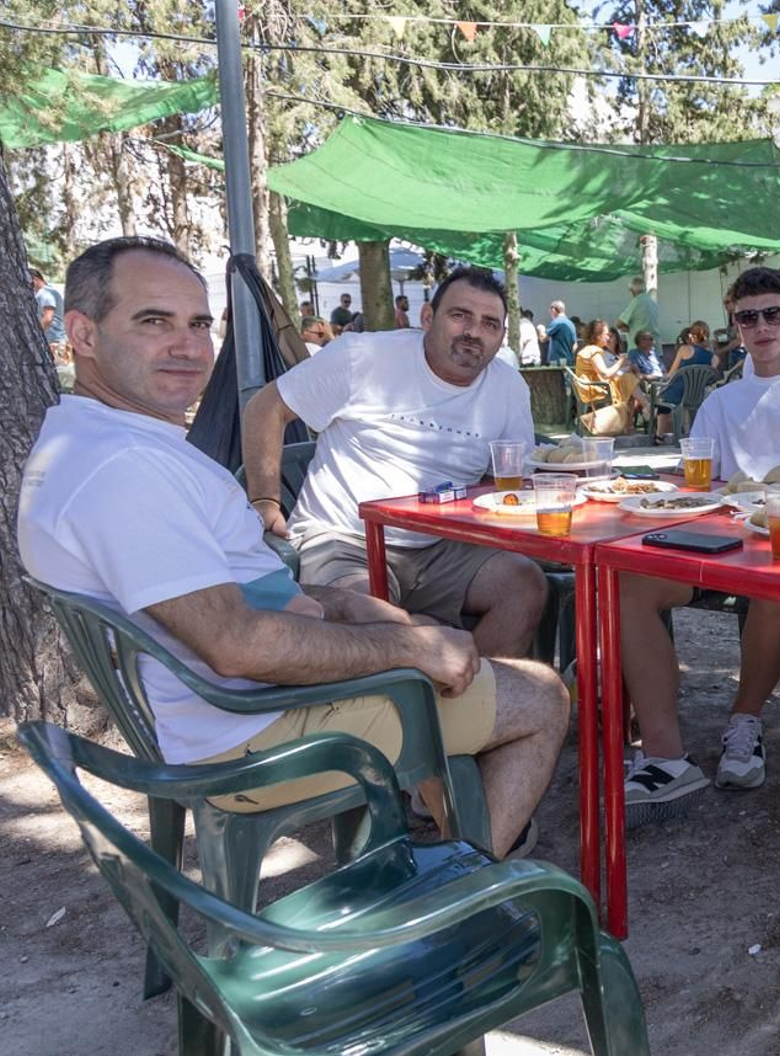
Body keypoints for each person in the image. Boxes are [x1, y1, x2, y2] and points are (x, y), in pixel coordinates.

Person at [20, 237, 567, 859]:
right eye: (153, 322)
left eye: (199, 324)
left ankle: (454, 786)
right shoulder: (122, 469)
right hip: (253, 731)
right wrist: (407, 647)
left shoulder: (100, 441)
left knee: (481, 601)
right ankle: (455, 894)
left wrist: (337, 606)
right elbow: (236, 645)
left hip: (239, 702)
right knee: (543, 695)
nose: (188, 346)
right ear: (82, 334)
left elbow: (227, 601)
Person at [618, 267, 780, 825]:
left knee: (779, 573)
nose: (761, 327)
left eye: (773, 314)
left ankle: (745, 721)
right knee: (631, 581)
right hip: (722, 540)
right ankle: (666, 758)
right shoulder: (722, 401)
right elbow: (699, 488)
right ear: (735, 325)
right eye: (748, 317)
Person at [242, 266, 548, 659]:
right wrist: (265, 500)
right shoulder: (363, 356)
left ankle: (474, 709)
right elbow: (265, 408)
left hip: (443, 545)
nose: (474, 332)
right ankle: (427, 663)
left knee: (524, 585)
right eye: (460, 316)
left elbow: (506, 480)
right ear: (427, 318)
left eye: (490, 323)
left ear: (502, 336)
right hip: (344, 537)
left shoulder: (507, 386)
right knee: (365, 613)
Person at [574, 318, 646, 426]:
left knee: (627, 381)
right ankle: (642, 412)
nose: (607, 338)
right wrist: (620, 362)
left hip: (592, 386)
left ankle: (630, 424)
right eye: (606, 334)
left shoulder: (589, 349)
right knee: (628, 381)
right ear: (598, 336)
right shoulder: (594, 351)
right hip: (594, 389)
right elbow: (605, 374)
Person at [31, 266, 68, 356]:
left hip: (55, 342)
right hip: (56, 341)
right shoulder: (48, 291)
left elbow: (48, 317)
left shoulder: (45, 294)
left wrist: (35, 334)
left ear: (35, 279)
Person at [617, 275, 660, 344]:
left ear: (632, 290)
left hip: (639, 348)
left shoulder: (636, 301)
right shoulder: (652, 301)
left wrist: (628, 329)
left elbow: (618, 323)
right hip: (655, 345)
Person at [545, 300, 577, 366]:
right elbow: (575, 345)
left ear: (553, 310)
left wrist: (540, 328)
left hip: (556, 363)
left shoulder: (556, 322)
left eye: (550, 312)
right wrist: (569, 356)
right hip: (569, 362)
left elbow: (543, 339)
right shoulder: (571, 324)